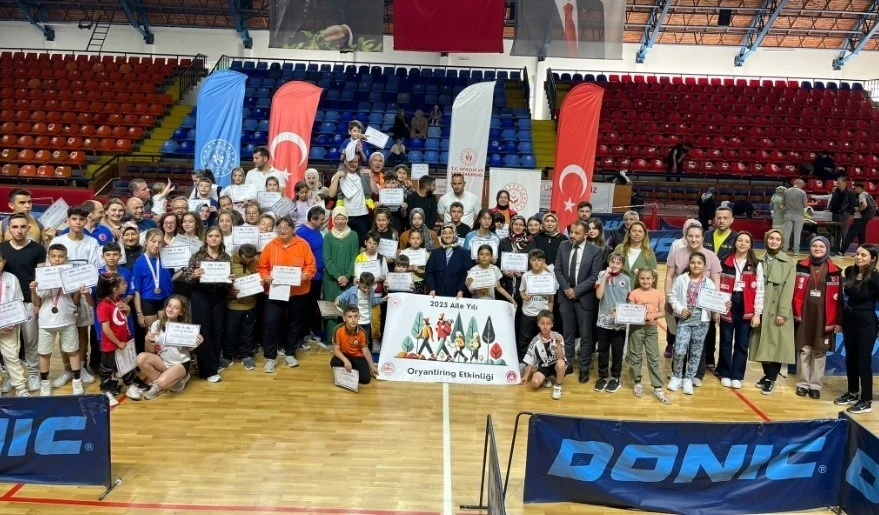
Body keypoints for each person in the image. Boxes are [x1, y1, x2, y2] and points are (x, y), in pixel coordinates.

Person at [259, 216, 316, 373]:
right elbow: (262, 267)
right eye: (280, 227)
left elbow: (311, 266)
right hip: (275, 291)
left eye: (286, 227)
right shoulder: (270, 245)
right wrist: (266, 277)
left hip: (298, 292)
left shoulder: (303, 244)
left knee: (295, 323)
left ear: (293, 229)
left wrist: (306, 275)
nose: (282, 230)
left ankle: (290, 353)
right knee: (271, 323)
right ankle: (270, 358)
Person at [50, 205, 100, 385]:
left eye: (81, 219)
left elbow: (94, 269)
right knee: (65, 330)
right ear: (68, 221)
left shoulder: (92, 242)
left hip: (84, 292)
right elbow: (52, 268)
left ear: (86, 221)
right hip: (63, 295)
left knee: (82, 331)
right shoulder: (58, 241)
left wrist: (83, 290)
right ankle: (67, 369)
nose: (78, 222)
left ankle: (82, 365)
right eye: (74, 219)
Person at [0, 213, 46, 393]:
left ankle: (34, 373)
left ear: (28, 228)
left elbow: (41, 278)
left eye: (22, 226)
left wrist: (38, 302)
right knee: (10, 346)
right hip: (7, 306)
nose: (19, 230)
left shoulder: (38, 249)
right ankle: (11, 377)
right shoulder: (2, 249)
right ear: (8, 229)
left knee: (31, 341)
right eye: (15, 227)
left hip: (29, 302)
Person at [792, 236, 841, 400]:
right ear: (810, 248)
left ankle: (815, 385)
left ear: (827, 249)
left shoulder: (835, 271)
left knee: (819, 352)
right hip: (804, 315)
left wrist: (838, 321)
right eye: (815, 246)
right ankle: (802, 384)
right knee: (804, 349)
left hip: (824, 318)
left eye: (821, 246)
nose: (818, 249)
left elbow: (840, 300)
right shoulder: (801, 266)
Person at [33, 244, 85, 396]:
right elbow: (37, 302)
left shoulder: (70, 275)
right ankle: (44, 383)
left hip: (67, 319)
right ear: (48, 258)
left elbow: (75, 301)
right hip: (46, 321)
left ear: (65, 258)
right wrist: (32, 289)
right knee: (44, 354)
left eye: (61, 256)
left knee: (73, 352)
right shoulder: (42, 275)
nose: (57, 259)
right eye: (54, 256)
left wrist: (77, 290)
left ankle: (77, 381)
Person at [554, 220, 603, 380]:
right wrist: (567, 290)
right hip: (565, 297)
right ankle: (568, 364)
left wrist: (576, 291)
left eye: (577, 233)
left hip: (584, 298)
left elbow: (594, 276)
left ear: (586, 234)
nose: (572, 235)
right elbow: (558, 270)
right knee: (567, 334)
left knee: (585, 336)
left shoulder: (595, 251)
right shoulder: (563, 245)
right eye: (571, 232)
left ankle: (584, 368)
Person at [749, 228, 796, 395]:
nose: (774, 241)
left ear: (781, 242)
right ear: (766, 240)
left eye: (777, 239)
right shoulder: (759, 260)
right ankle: (766, 375)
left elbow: (789, 288)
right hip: (761, 306)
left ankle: (771, 378)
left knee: (776, 345)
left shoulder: (788, 262)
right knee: (761, 343)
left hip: (777, 309)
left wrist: (782, 312)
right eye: (771, 238)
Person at [183, 227, 230, 383]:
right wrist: (194, 275)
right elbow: (187, 278)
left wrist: (230, 279)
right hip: (200, 296)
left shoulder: (225, 257)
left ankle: (214, 365)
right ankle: (207, 370)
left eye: (217, 236)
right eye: (210, 236)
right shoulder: (197, 256)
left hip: (219, 296)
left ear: (221, 239)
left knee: (217, 330)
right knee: (204, 331)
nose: (214, 238)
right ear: (206, 238)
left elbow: (227, 282)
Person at [836, 245, 879, 414]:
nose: (859, 257)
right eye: (857, 254)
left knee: (863, 360)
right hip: (850, 320)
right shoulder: (850, 272)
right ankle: (852, 392)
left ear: (872, 258)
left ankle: (866, 400)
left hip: (866, 322)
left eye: (863, 255)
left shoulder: (875, 277)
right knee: (851, 358)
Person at [667, 252, 717, 395]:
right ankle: (677, 376)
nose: (696, 265)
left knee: (696, 351)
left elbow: (715, 301)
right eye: (693, 262)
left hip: (702, 322)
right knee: (680, 350)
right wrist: (680, 309)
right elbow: (672, 296)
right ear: (689, 264)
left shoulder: (709, 283)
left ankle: (688, 378)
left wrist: (723, 305)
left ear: (704, 266)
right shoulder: (681, 279)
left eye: (699, 263)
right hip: (684, 320)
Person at [717, 232, 762, 389]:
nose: (743, 243)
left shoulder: (756, 264)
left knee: (742, 343)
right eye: (740, 240)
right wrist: (719, 306)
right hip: (728, 304)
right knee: (726, 341)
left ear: (751, 245)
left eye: (746, 241)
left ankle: (737, 375)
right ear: (735, 243)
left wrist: (757, 313)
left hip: (746, 305)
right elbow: (718, 285)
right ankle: (724, 372)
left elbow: (760, 290)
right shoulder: (724, 261)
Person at [96, 272, 148, 406]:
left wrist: (128, 310)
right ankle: (106, 391)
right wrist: (117, 342)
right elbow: (106, 329)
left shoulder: (118, 301)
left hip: (123, 341)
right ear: (115, 289)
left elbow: (121, 319)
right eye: (123, 283)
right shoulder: (103, 306)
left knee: (127, 365)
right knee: (107, 369)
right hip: (111, 344)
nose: (126, 285)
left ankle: (130, 386)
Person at [139, 295, 202, 400]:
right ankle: (158, 384)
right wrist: (147, 340)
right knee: (141, 358)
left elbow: (188, 350)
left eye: (176, 307)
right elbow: (150, 351)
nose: (171, 309)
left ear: (181, 312)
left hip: (180, 363)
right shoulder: (156, 324)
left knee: (163, 383)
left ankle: (179, 378)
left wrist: (197, 343)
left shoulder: (185, 328)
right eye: (169, 306)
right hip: (163, 361)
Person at [702, 206, 737, 374]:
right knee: (707, 322)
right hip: (706, 286)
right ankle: (708, 357)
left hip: (727, 287)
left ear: (732, 220)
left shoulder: (736, 238)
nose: (721, 220)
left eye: (725, 218)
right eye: (719, 217)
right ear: (714, 219)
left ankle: (723, 365)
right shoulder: (707, 235)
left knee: (725, 326)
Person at [628, 268, 669, 404]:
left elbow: (663, 312)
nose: (645, 281)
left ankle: (657, 387)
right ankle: (637, 382)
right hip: (637, 329)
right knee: (636, 356)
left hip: (651, 329)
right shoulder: (634, 293)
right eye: (642, 278)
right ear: (638, 279)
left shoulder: (658, 294)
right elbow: (630, 311)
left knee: (653, 357)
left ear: (653, 279)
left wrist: (653, 315)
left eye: (648, 278)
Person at [593, 252, 632, 393]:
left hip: (619, 322)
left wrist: (621, 311)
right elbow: (599, 295)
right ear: (608, 263)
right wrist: (605, 277)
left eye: (618, 263)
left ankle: (616, 378)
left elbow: (629, 300)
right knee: (603, 349)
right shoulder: (601, 275)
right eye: (612, 262)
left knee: (617, 351)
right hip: (604, 320)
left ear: (622, 265)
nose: (614, 265)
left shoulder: (626, 280)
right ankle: (602, 376)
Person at [322, 207, 360, 338]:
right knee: (331, 309)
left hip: (347, 280)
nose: (340, 221)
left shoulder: (353, 235)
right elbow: (326, 258)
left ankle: (347, 338)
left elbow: (355, 256)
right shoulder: (328, 236)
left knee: (347, 309)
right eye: (337, 218)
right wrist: (338, 276)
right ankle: (331, 338)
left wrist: (348, 276)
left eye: (342, 218)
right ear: (333, 220)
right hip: (331, 280)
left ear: (347, 219)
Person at [133, 229, 176, 339]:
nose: (156, 245)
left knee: (165, 333)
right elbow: (137, 290)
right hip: (149, 301)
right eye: (153, 241)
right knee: (151, 334)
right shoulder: (139, 263)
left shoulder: (165, 258)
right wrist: (139, 313)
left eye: (160, 242)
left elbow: (171, 278)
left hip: (166, 299)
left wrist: (184, 269)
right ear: (146, 241)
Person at [328, 153, 377, 246]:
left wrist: (370, 174)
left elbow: (375, 191)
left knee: (362, 245)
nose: (353, 164)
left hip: (362, 216)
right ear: (345, 162)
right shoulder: (338, 175)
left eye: (355, 162)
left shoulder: (363, 174)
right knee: (344, 245)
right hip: (344, 217)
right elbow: (331, 194)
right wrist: (337, 176)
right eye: (350, 162)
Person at [224, 243, 260, 371]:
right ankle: (227, 356)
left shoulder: (256, 261)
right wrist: (228, 288)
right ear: (238, 255)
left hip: (251, 304)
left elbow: (261, 276)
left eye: (250, 260)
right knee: (230, 332)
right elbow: (221, 281)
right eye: (245, 260)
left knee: (248, 332)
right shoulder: (229, 261)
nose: (248, 262)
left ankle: (246, 355)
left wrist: (262, 282)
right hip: (233, 305)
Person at [296, 206, 327, 346]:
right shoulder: (301, 233)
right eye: (321, 219)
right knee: (303, 308)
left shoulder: (317, 231)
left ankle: (307, 331)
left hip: (318, 276)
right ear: (313, 219)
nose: (323, 221)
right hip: (309, 278)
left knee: (311, 307)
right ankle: (300, 335)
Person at [518, 248, 556, 362]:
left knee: (543, 338)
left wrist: (549, 312)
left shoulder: (549, 276)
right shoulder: (526, 275)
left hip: (543, 313)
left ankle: (542, 361)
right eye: (533, 260)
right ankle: (523, 361)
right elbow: (521, 290)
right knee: (525, 338)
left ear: (544, 261)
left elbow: (551, 297)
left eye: (539, 260)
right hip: (528, 312)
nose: (536, 263)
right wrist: (523, 297)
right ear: (529, 261)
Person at [0, 248, 29, 397]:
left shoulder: (11, 278)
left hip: (8, 326)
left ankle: (20, 387)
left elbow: (18, 302)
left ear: (3, 262)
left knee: (12, 356)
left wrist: (14, 322)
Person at [520, 310, 566, 400]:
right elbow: (531, 360)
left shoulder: (558, 336)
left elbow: (561, 357)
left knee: (561, 363)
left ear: (552, 324)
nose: (545, 326)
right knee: (534, 383)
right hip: (544, 366)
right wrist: (525, 377)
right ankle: (545, 378)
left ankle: (557, 386)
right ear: (538, 324)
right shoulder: (535, 341)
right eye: (542, 323)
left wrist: (558, 344)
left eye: (548, 324)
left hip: (556, 365)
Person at [334, 272, 385, 353]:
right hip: (355, 322)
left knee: (366, 343)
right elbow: (342, 297)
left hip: (367, 322)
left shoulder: (371, 291)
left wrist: (382, 299)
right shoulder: (352, 291)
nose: (366, 290)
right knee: (353, 342)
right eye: (364, 287)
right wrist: (337, 301)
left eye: (368, 288)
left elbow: (372, 301)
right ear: (359, 282)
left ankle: (365, 358)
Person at [331, 305, 378, 385]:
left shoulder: (362, 332)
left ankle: (353, 368)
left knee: (365, 380)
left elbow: (366, 352)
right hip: (344, 354)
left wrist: (372, 366)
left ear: (359, 317)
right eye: (349, 317)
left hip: (357, 356)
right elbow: (336, 350)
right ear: (344, 318)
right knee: (334, 362)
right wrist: (346, 360)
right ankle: (348, 368)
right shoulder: (337, 330)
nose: (353, 320)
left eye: (355, 316)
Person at [425, 224, 470, 298]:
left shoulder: (463, 252)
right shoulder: (435, 253)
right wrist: (432, 289)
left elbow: (468, 274)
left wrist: (461, 289)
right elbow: (429, 273)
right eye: (444, 233)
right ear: (441, 235)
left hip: (457, 294)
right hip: (437, 293)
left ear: (454, 234)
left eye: (450, 233)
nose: (447, 236)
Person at [841, 182, 876, 256]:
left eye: (855, 188)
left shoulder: (861, 195)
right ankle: (861, 253)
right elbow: (876, 206)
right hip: (865, 219)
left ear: (859, 188)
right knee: (861, 237)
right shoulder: (867, 194)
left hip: (859, 219)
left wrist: (858, 209)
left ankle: (841, 252)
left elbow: (864, 205)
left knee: (850, 235)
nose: (854, 190)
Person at [827, 175, 858, 256]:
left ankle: (843, 249)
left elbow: (854, 203)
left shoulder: (849, 192)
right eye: (837, 183)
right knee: (835, 231)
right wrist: (829, 208)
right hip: (834, 213)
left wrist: (847, 211)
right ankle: (836, 248)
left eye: (839, 183)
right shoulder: (836, 191)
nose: (838, 185)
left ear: (845, 183)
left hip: (843, 214)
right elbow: (832, 201)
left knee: (843, 232)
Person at [782, 179, 807, 255]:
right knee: (797, 233)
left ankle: (784, 250)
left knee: (787, 233)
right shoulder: (802, 192)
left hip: (788, 214)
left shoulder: (786, 191)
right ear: (801, 185)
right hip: (799, 215)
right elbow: (805, 205)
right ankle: (796, 251)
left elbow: (783, 204)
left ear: (794, 183)